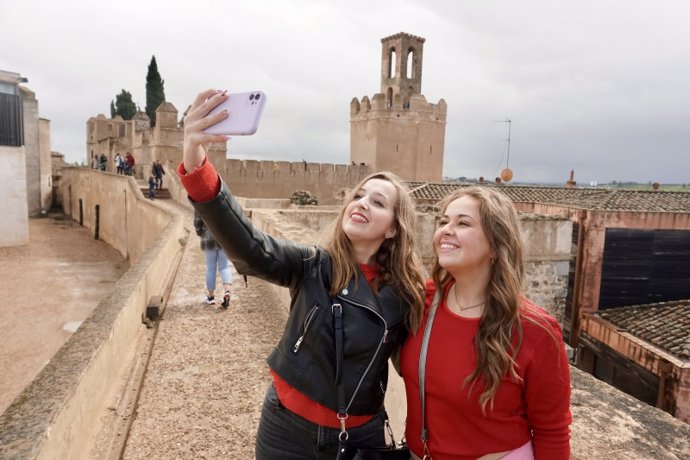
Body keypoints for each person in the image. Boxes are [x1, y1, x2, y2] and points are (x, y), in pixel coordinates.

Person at [179, 88, 426, 459]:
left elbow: (426, 364)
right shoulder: (313, 264)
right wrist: (196, 160)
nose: (361, 204)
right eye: (358, 196)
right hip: (287, 430)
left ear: (394, 227)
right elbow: (250, 247)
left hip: (360, 439)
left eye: (378, 202)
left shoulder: (406, 294)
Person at [400, 186, 572, 459]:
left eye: (463, 223)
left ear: (495, 245)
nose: (446, 229)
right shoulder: (423, 301)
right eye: (444, 221)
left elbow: (552, 431)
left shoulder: (535, 330)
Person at [193, 209, 233, 307]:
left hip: (208, 238)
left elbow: (197, 222)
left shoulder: (200, 200)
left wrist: (200, 233)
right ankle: (227, 291)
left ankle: (211, 297)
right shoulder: (222, 196)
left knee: (211, 268)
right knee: (224, 267)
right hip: (223, 238)